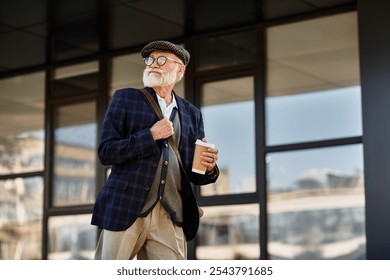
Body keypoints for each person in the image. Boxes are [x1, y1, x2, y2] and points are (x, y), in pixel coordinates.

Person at [91, 40, 219, 260]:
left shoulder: (192, 113)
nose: (152, 64)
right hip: (126, 207)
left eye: (161, 59)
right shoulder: (125, 99)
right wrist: (150, 135)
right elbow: (106, 152)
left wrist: (208, 167)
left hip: (170, 214)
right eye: (149, 59)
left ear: (180, 69)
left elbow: (192, 172)